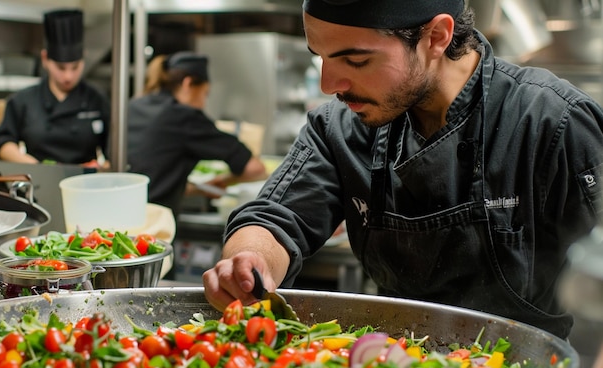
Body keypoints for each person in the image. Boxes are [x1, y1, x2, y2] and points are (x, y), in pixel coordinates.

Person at [203, 0, 603, 344]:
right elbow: (275, 218)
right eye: (320, 56)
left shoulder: (554, 123)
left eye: (356, 60)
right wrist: (248, 260)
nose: (329, 84)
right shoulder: (339, 128)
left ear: (436, 37)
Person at [127, 52, 268, 219]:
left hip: (120, 216)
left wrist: (200, 189)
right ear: (188, 84)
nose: (204, 103)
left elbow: (154, 177)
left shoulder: (134, 106)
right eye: (205, 94)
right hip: (153, 225)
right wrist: (223, 182)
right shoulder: (183, 116)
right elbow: (255, 169)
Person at [0, 9, 110, 167]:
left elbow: (113, 153)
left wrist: (102, 167)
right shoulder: (23, 100)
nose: (68, 76)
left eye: (75, 67)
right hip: (38, 182)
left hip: (83, 184)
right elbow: (2, 142)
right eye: (61, 68)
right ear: (45, 59)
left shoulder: (97, 99)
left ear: (84, 58)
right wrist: (35, 166)